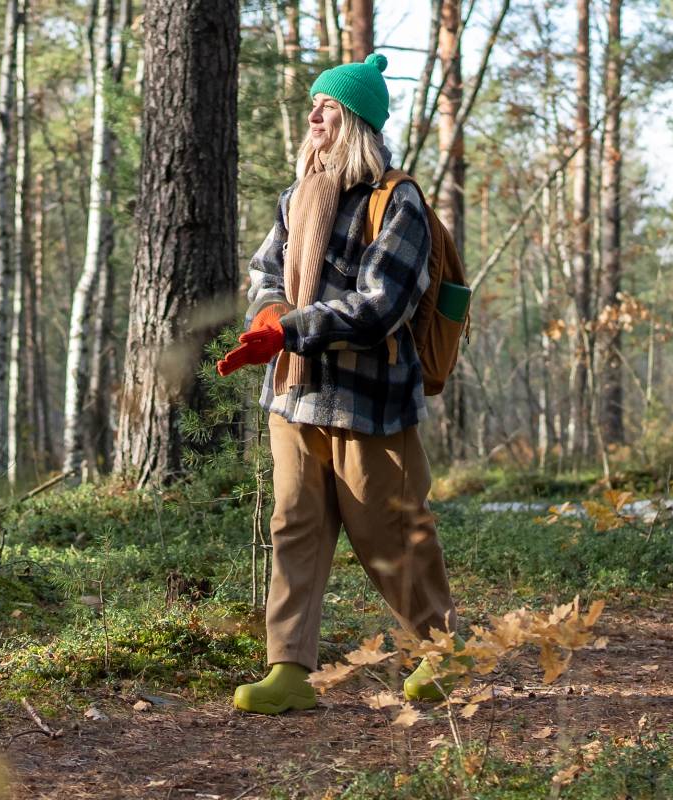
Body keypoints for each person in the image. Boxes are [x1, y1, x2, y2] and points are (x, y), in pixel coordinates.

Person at [215, 52, 459, 714]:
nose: (314, 114)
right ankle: (289, 669)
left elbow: (385, 305)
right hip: (294, 396)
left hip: (371, 401)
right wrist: (267, 315)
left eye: (329, 106)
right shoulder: (297, 198)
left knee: (388, 531)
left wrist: (291, 330)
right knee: (294, 526)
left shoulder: (397, 201)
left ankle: (443, 654)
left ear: (356, 122)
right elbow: (265, 272)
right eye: (314, 104)